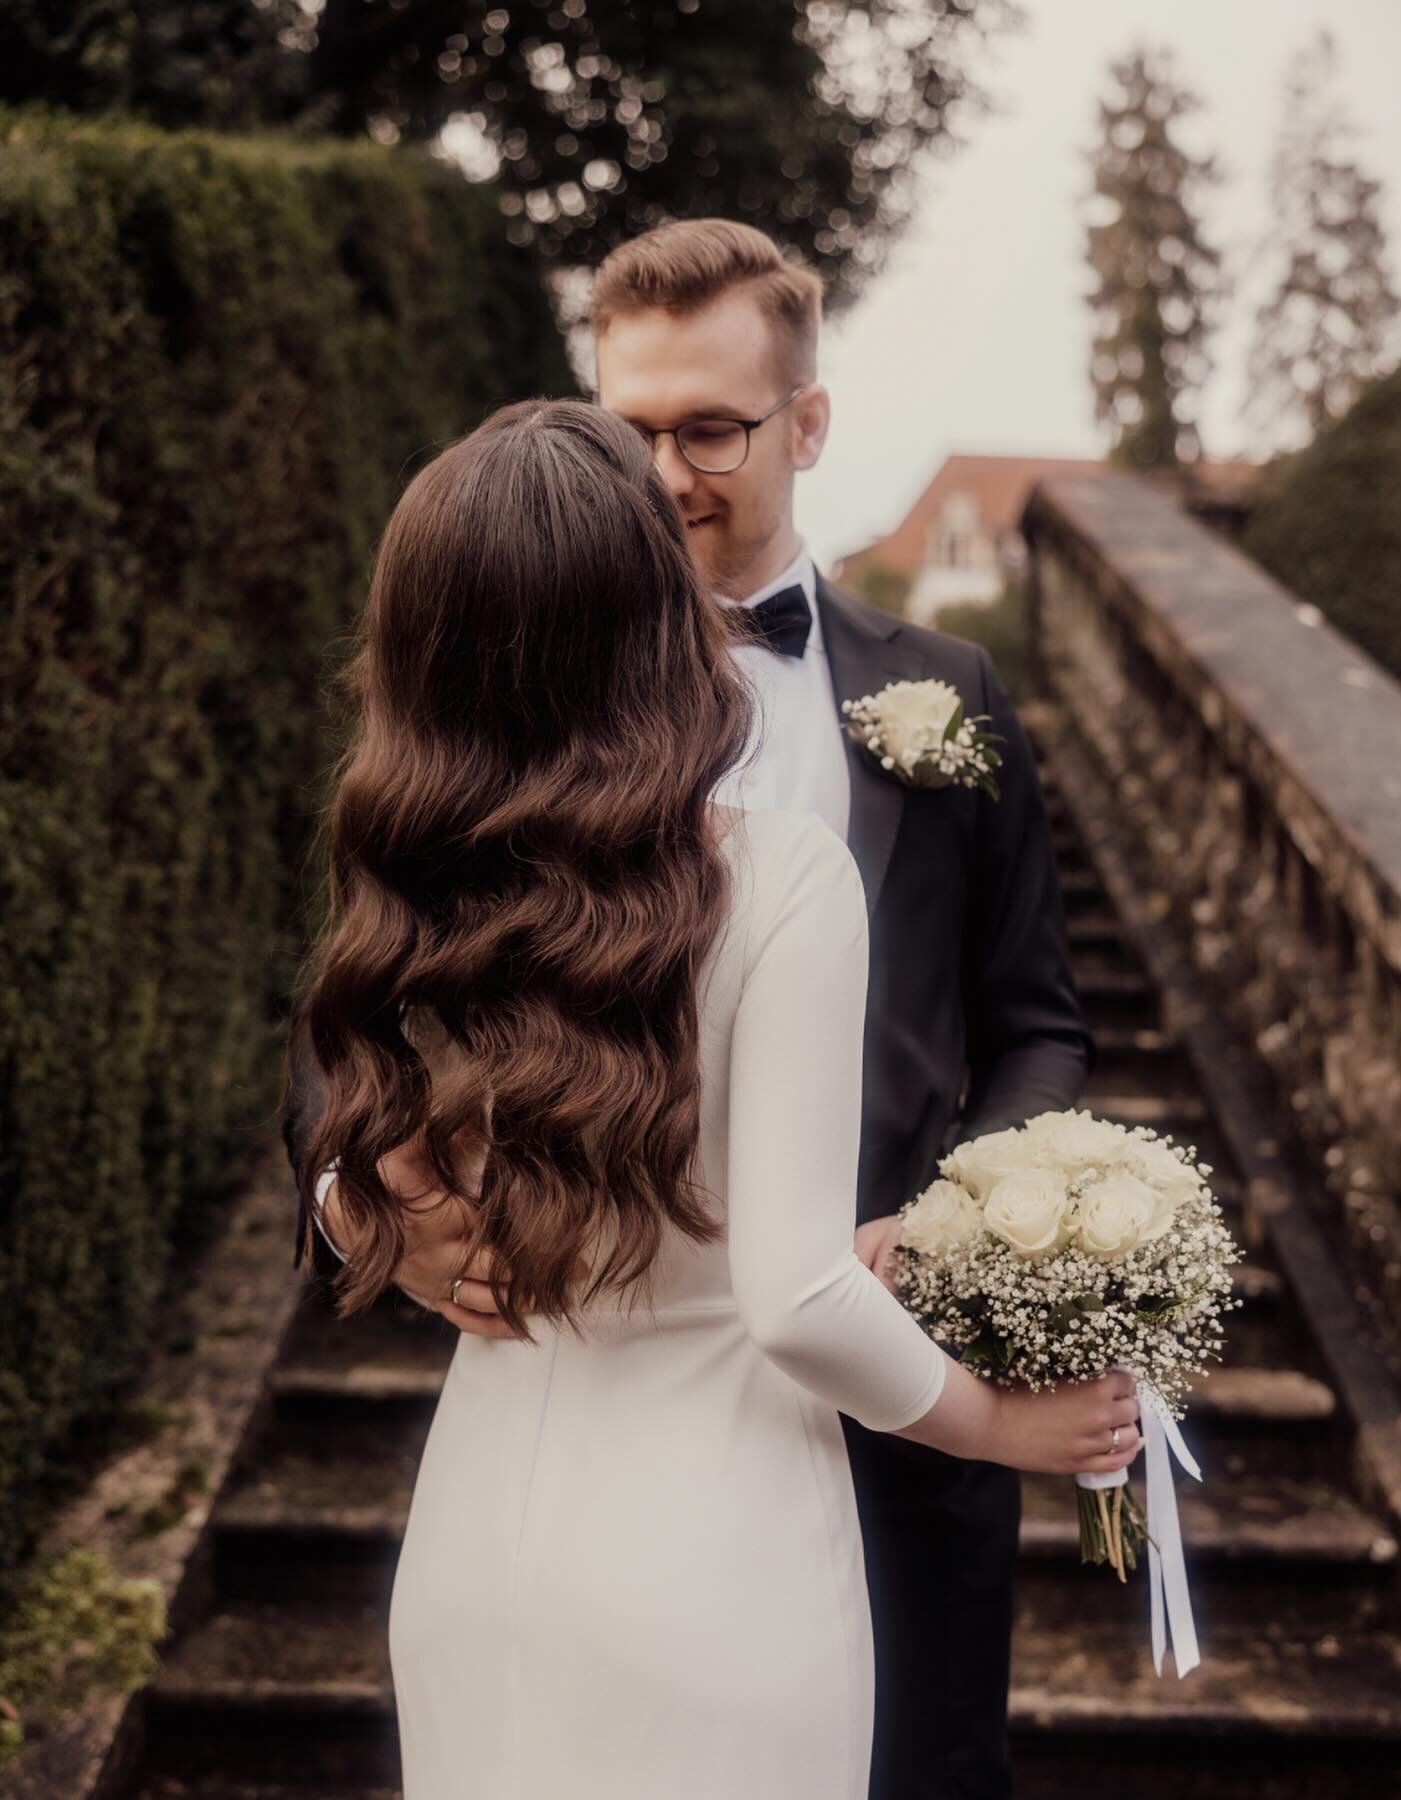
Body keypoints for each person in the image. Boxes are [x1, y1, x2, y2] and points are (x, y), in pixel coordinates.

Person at [286, 397, 1139, 1800]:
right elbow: (796, 1296)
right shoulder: (783, 876)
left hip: (474, 1548)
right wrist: (1003, 1424)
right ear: (655, 613)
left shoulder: (412, 882)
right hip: (721, 1558)